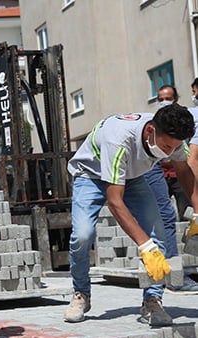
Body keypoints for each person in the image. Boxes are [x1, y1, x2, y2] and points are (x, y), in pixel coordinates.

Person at [65, 104, 198, 325]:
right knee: (82, 235)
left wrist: (197, 212)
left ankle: (153, 300)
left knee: (158, 232)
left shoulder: (170, 136)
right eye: (165, 146)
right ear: (150, 131)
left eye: (172, 148)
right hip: (90, 174)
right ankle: (81, 293)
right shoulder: (119, 141)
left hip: (132, 176)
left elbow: (184, 170)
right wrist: (145, 246)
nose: (167, 153)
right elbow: (115, 202)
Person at [146, 86, 198, 293]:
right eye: (160, 98)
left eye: (168, 98)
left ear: (176, 99)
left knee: (187, 219)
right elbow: (191, 157)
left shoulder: (185, 120)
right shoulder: (157, 122)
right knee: (166, 216)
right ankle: (173, 277)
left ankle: (175, 274)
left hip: (179, 171)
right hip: (156, 170)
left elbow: (187, 162)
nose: (164, 101)